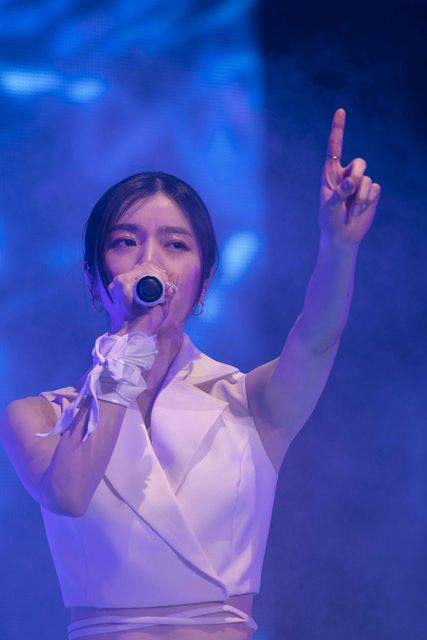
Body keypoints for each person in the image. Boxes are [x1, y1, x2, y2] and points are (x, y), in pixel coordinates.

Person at [0, 108, 380, 640]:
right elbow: (70, 493)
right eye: (125, 241)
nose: (149, 262)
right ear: (93, 278)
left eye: (175, 244)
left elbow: (317, 338)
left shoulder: (250, 402)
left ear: (202, 284)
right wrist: (132, 338)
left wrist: (339, 247)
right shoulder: (41, 416)